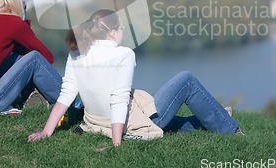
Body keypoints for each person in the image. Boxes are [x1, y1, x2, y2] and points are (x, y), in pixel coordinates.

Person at [28, 9, 245, 146]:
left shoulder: (77, 53)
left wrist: (46, 132)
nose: (122, 32)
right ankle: (230, 128)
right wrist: (117, 142)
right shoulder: (123, 54)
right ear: (113, 32)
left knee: (175, 121)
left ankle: (218, 116)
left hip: (95, 121)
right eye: (121, 28)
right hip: (127, 124)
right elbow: (119, 99)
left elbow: (66, 94)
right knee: (185, 79)